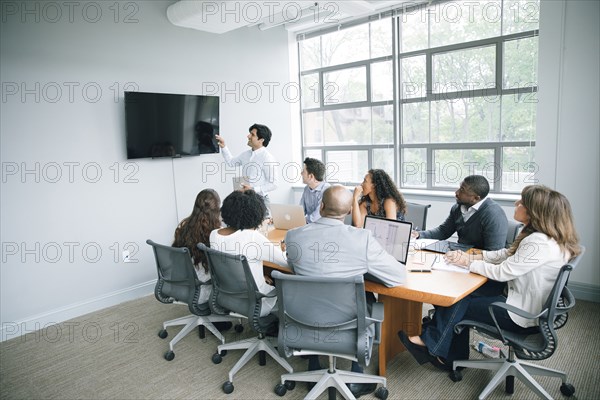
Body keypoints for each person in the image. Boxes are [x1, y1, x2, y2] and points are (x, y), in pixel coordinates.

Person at [398, 185, 581, 370]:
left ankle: (434, 347)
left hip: (520, 315)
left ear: (535, 212)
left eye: (522, 202)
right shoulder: (549, 238)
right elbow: (506, 254)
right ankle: (447, 353)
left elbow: (503, 271)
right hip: (521, 298)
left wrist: (467, 263)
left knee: (456, 301)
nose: (516, 203)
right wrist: (472, 257)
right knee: (460, 293)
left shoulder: (538, 242)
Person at [285, 185, 406, 398]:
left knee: (313, 291)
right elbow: (398, 277)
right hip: (348, 326)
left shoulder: (293, 236)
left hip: (303, 321)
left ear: (321, 207)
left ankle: (313, 365)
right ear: (350, 211)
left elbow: (295, 267)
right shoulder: (363, 239)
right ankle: (355, 379)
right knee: (366, 296)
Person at [209, 190, 286, 317]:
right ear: (255, 214)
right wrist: (284, 250)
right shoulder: (253, 237)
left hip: (226, 297)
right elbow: (286, 262)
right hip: (257, 303)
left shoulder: (214, 234)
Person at [172, 189, 231, 331]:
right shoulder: (215, 232)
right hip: (202, 287)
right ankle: (218, 314)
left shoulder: (183, 226)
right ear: (217, 208)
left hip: (182, 283)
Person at [413, 175, 508, 251]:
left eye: (462, 190)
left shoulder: (493, 215)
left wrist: (467, 259)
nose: (456, 193)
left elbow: (494, 253)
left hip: (480, 264)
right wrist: (419, 235)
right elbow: (444, 231)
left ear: (476, 198)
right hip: (460, 257)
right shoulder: (458, 207)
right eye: (459, 188)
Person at [215, 123, 278, 208]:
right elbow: (231, 162)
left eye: (252, 134)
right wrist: (223, 147)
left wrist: (253, 189)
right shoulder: (246, 154)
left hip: (260, 201)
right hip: (245, 199)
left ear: (261, 140)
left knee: (262, 222)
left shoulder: (267, 158)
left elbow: (274, 184)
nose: (248, 136)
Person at [299, 157, 331, 223]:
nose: (301, 173)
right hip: (310, 226)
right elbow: (300, 211)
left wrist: (298, 220)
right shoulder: (306, 189)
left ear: (311, 176)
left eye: (303, 171)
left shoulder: (327, 191)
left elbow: (315, 217)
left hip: (323, 228)